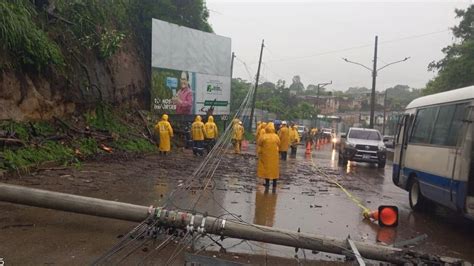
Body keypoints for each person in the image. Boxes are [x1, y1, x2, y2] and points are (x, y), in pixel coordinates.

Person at [257, 122, 280, 191]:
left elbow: (259, 143)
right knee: (274, 169)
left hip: (265, 155)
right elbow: (279, 143)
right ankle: (274, 183)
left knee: (267, 169)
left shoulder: (264, 136)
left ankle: (267, 183)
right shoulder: (276, 136)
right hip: (274, 156)